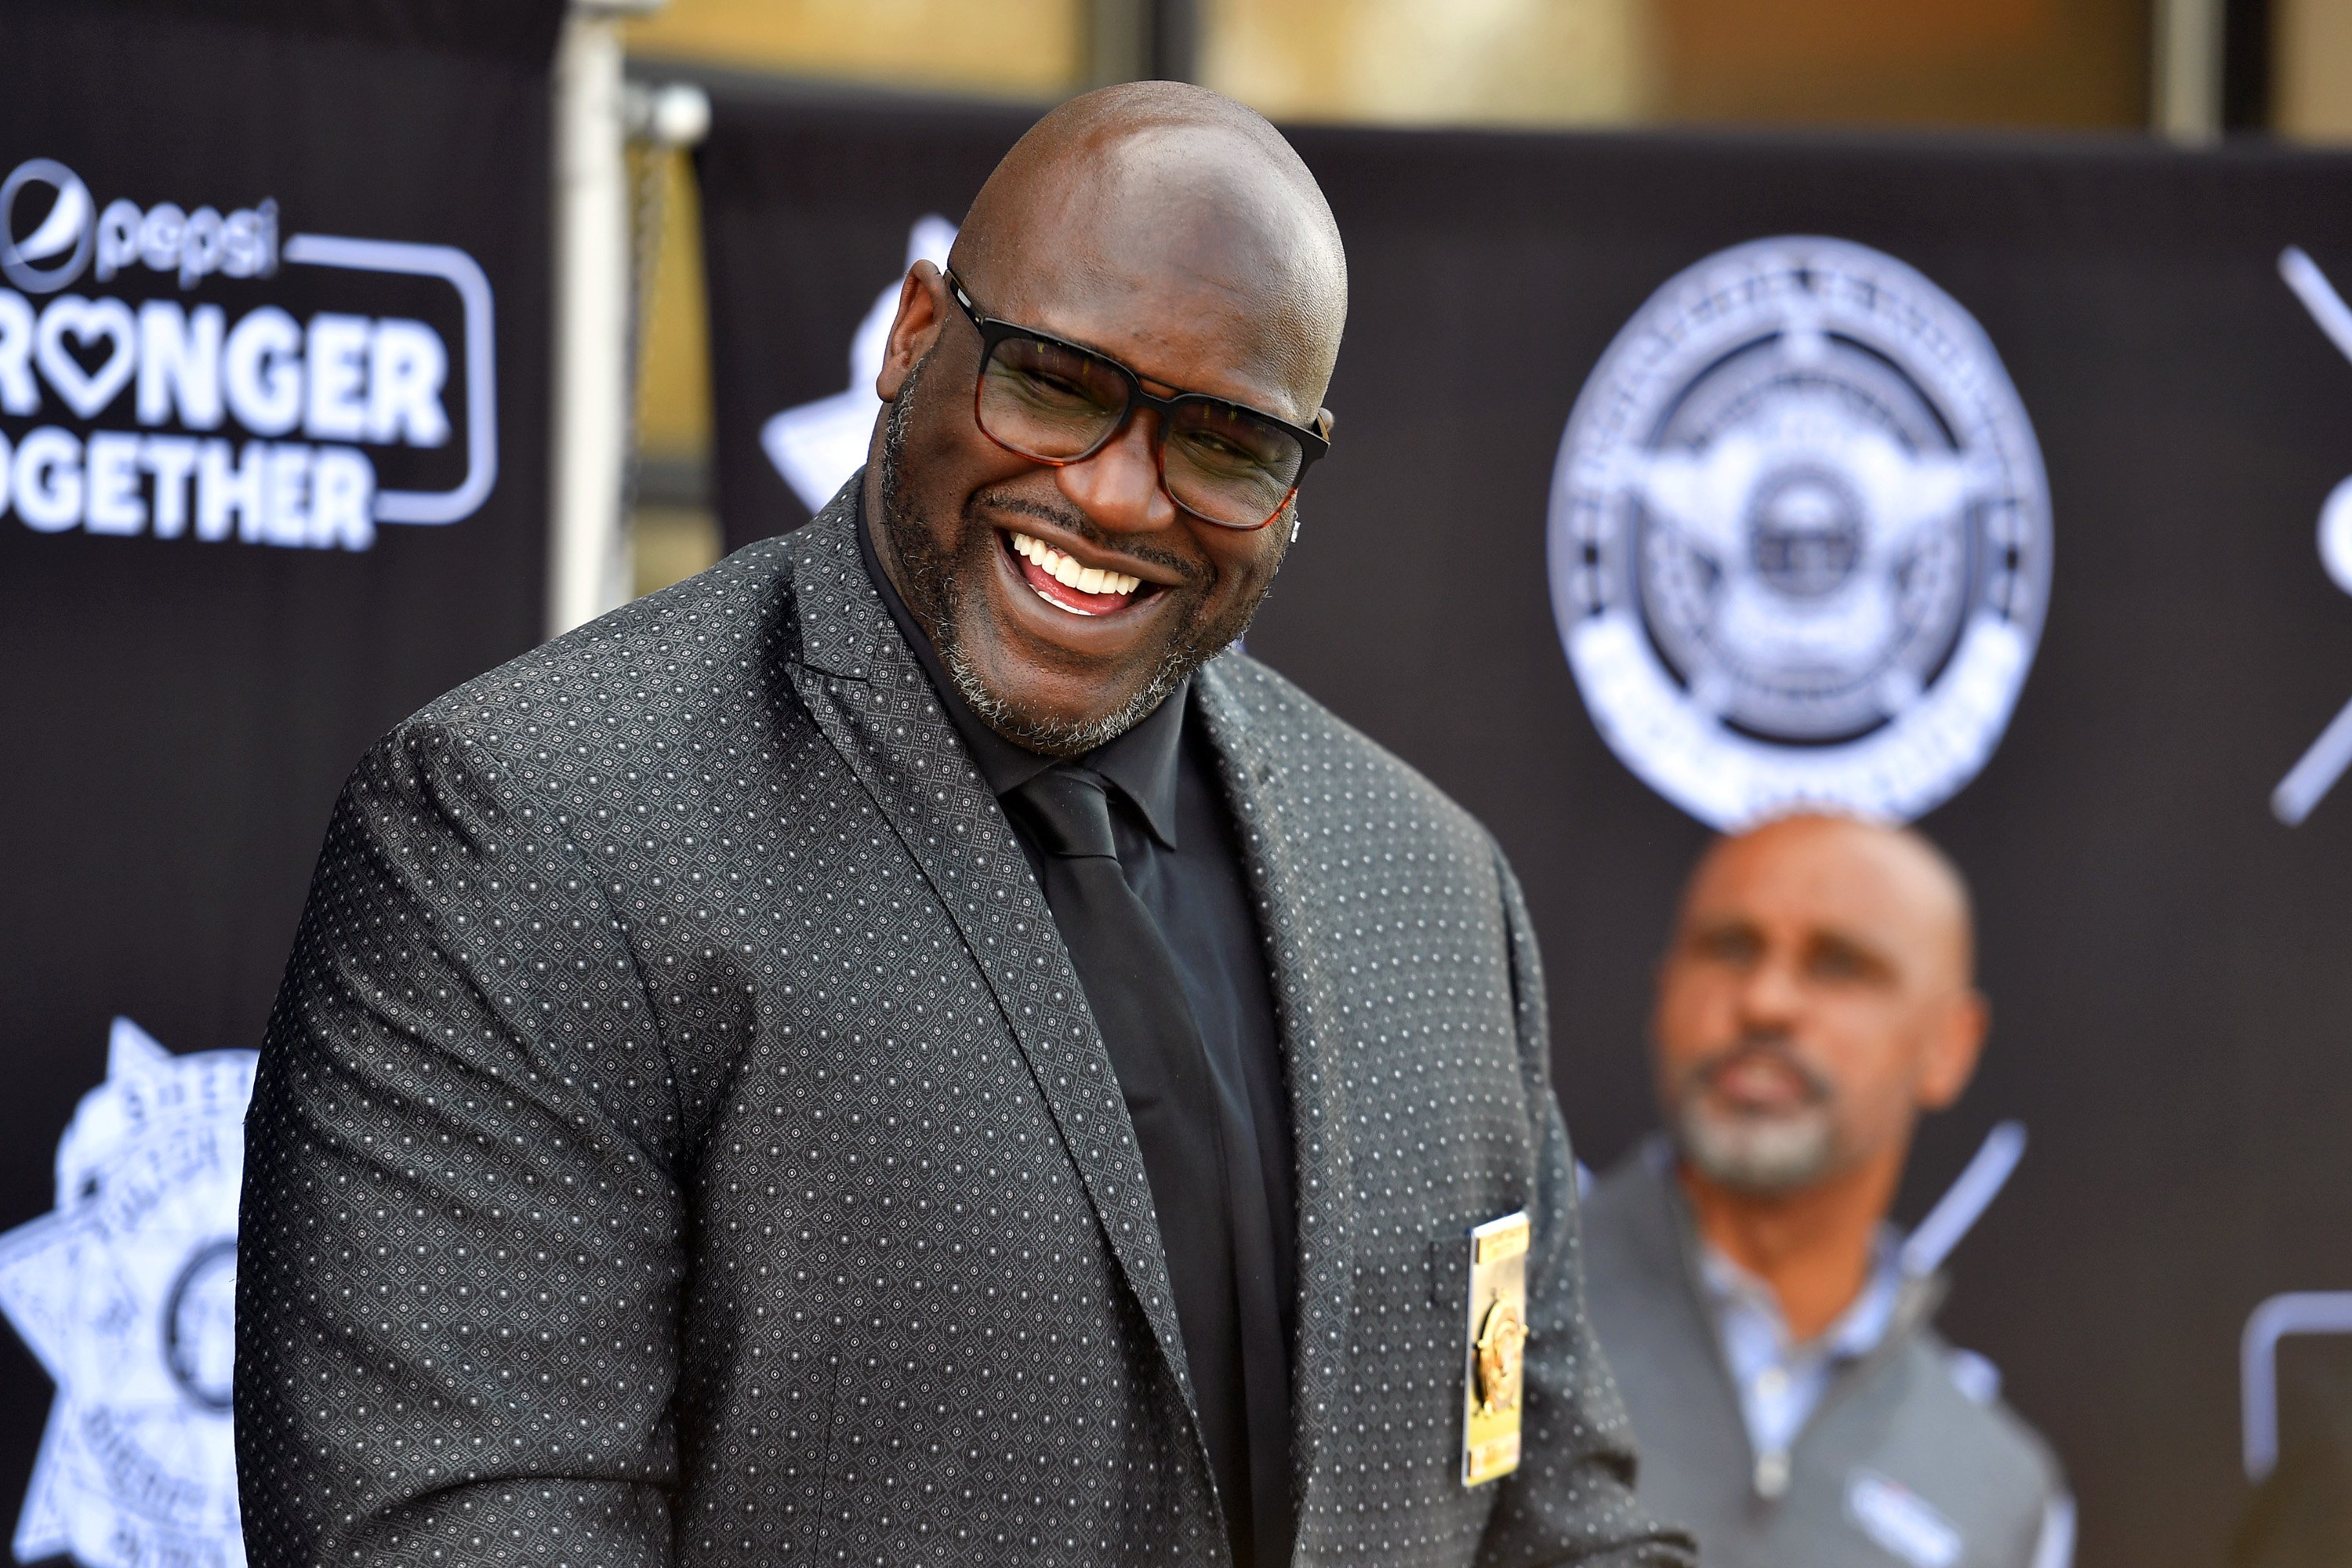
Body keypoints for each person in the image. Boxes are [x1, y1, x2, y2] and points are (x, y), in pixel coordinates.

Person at [231, 82, 1691, 1568]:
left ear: (1297, 477)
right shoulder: (529, 830)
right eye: (1057, 382)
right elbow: (458, 1537)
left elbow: (1552, 1519)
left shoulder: (1433, 890)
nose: (1118, 497)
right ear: (916, 335)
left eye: (1226, 443)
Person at [1580, 814, 2068, 1568]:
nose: (1767, 1002)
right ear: (1663, 990)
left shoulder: (2001, 1491)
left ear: (1951, 1044)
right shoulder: (1501, 1311)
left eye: (1839, 965)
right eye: (1729, 948)